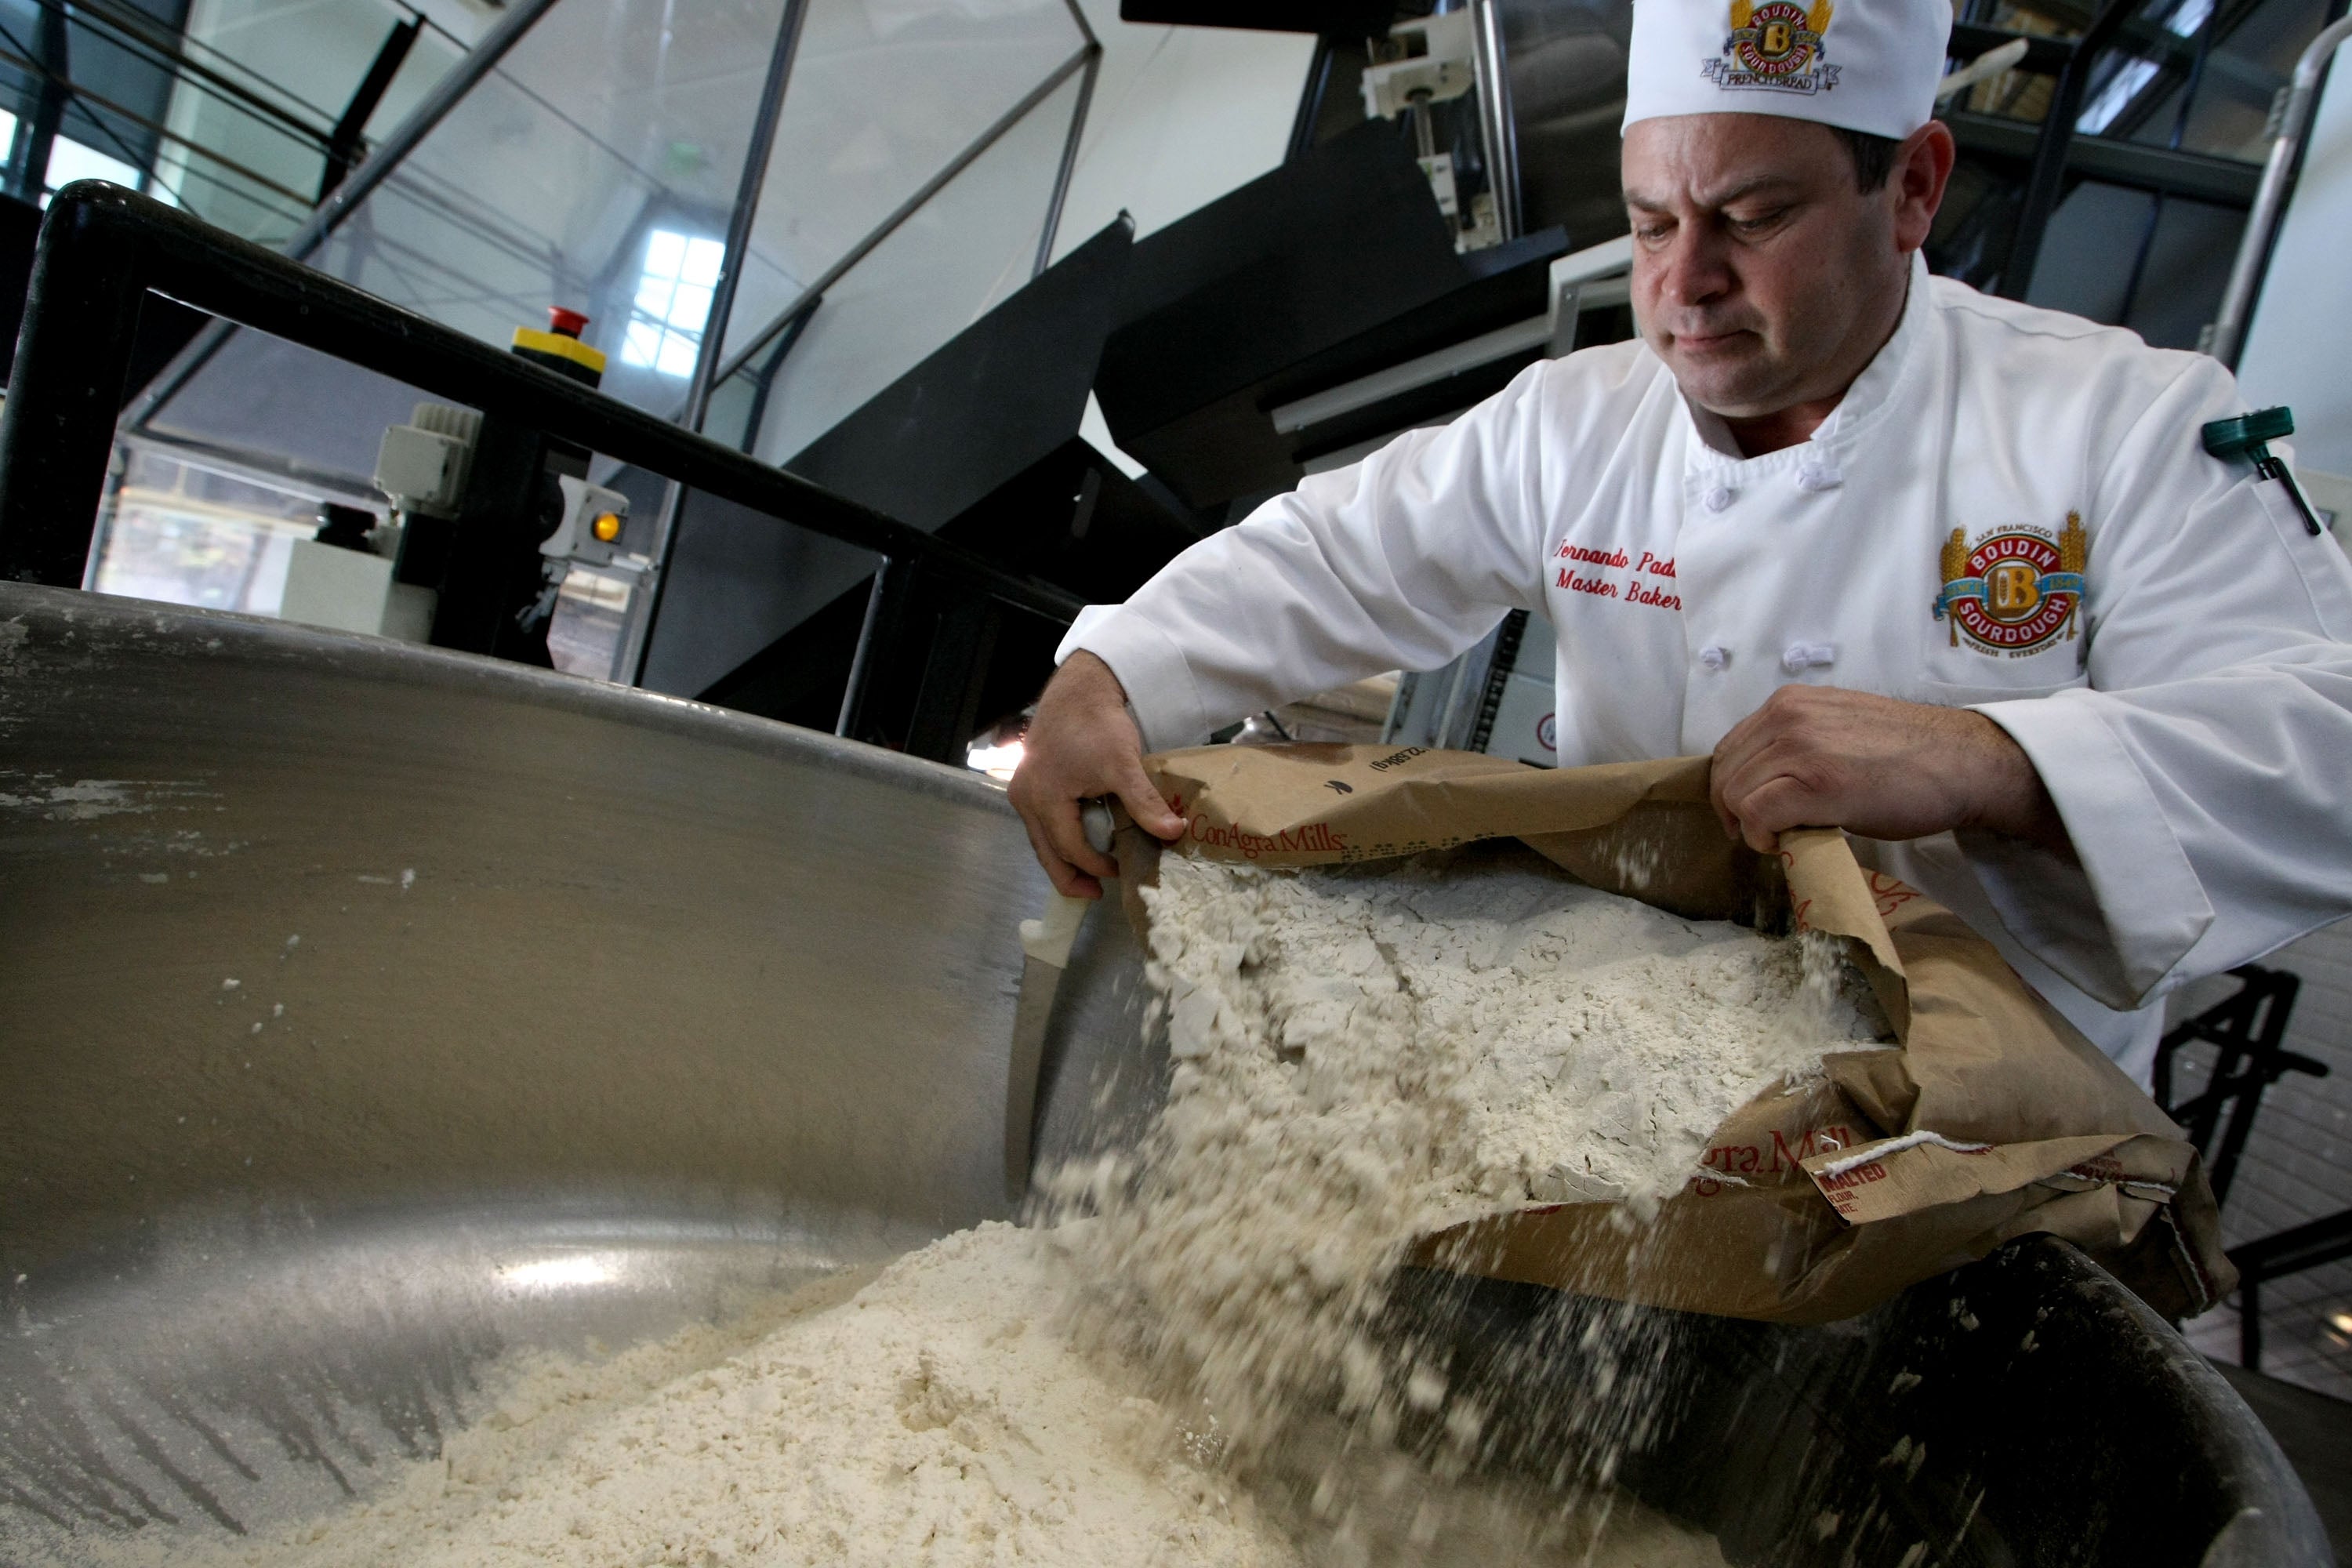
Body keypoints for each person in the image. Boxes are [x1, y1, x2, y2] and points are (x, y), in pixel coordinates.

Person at [1009, 0, 2352, 1086]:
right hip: (1626, 1085)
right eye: (1653, 222)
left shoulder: (2127, 428)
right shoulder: (1577, 425)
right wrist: (1110, 677)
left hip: (1970, 1138)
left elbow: (2329, 748)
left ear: (1914, 188)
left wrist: (1994, 762)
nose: (1685, 283)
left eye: (1754, 220)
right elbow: (1329, 555)